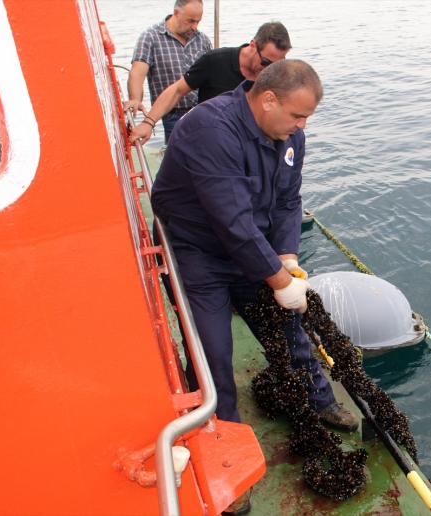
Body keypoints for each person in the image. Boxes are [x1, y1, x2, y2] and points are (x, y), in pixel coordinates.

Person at [152, 59, 358, 433]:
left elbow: (288, 201)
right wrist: (279, 281)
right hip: (197, 254)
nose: (303, 126)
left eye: (307, 117)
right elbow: (232, 222)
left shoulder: (290, 136)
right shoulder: (210, 129)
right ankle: (221, 434)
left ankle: (320, 401)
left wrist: (286, 257)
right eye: (297, 115)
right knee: (211, 352)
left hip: (252, 248)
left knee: (287, 328)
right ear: (267, 100)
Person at [130, 22, 291, 145]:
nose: (269, 71)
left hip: (248, 148)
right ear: (253, 46)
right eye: (265, 62)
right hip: (209, 145)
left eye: (276, 65)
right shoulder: (214, 61)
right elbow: (177, 90)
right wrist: (148, 123)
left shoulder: (275, 76)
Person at [125, 0, 211, 143]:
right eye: (190, 21)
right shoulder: (150, 37)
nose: (194, 27)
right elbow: (137, 73)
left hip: (202, 111)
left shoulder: (202, 40)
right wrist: (135, 99)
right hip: (173, 113)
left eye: (198, 21)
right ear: (176, 13)